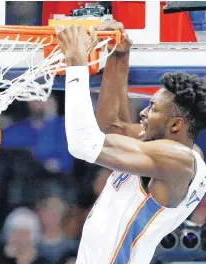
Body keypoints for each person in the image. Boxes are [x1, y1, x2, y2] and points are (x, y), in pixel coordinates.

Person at [55, 21, 206, 264]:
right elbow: (113, 126)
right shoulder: (165, 147)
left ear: (176, 124)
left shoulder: (178, 160)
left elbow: (83, 143)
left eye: (153, 108)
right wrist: (118, 55)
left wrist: (76, 63)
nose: (143, 113)